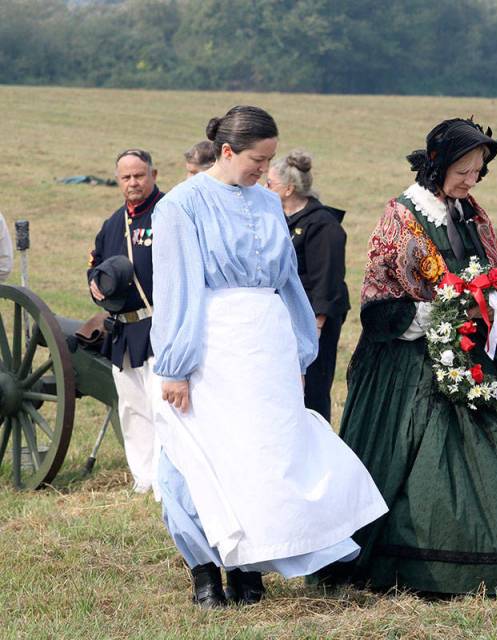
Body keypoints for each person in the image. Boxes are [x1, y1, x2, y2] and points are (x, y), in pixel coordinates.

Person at [323, 118, 497, 595]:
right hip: (412, 361)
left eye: (478, 172)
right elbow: (380, 301)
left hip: (475, 347)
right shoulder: (401, 214)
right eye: (465, 170)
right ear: (437, 163)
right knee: (420, 458)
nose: (471, 181)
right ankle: (416, 559)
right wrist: (445, 311)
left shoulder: (471, 213)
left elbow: (490, 272)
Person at [150, 105, 387, 608]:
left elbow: (288, 284)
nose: (265, 170)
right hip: (212, 343)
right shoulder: (181, 205)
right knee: (203, 453)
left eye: (271, 159)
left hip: (266, 343)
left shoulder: (265, 203)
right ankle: (206, 570)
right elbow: (178, 288)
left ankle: (249, 566)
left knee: (262, 456)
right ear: (228, 151)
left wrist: (301, 350)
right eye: (258, 159)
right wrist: (174, 364)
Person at [87, 148, 162, 494]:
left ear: (153, 175)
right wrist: (94, 283)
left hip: (158, 325)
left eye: (139, 175)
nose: (133, 183)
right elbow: (97, 265)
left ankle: (167, 482)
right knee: (132, 407)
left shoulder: (167, 214)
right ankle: (143, 478)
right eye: (126, 177)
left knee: (162, 407)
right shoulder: (113, 224)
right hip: (122, 328)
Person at [266, 151, 349, 421]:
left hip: (312, 322)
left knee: (311, 389)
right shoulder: (276, 219)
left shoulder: (323, 225)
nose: (264, 188)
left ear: (288, 189)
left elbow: (327, 279)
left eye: (270, 184)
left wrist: (314, 327)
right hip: (281, 318)